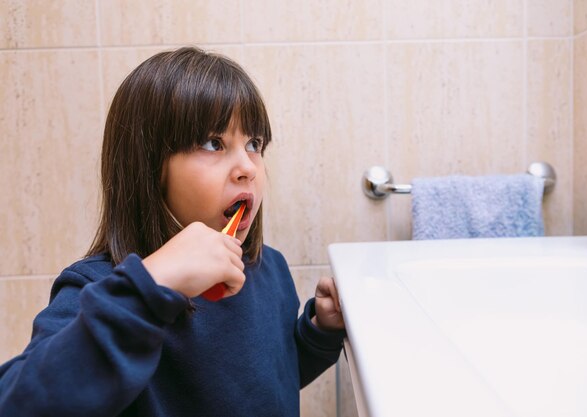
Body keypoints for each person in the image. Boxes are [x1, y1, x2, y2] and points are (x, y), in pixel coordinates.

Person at [0, 46, 345, 417]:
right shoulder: (98, 289)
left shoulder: (268, 267)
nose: (248, 167)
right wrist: (152, 284)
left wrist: (318, 331)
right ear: (148, 168)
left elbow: (268, 382)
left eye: (254, 144)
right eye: (214, 143)